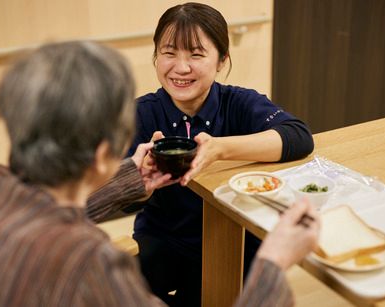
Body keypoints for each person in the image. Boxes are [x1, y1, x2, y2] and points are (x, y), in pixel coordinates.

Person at [0, 41, 319, 307]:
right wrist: (273, 264)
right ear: (103, 150)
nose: (181, 66)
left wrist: (131, 179)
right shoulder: (89, 264)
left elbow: (43, 216)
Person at [124, 3, 315, 306]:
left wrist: (221, 148)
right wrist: (137, 181)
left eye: (196, 54)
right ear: (156, 56)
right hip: (164, 237)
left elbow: (298, 136)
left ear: (221, 60)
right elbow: (112, 191)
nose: (181, 68)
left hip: (234, 239)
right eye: (169, 52)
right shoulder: (141, 113)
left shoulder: (238, 103)